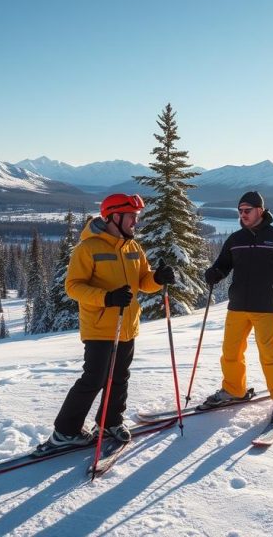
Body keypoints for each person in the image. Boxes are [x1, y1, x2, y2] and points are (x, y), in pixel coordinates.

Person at [36, 193, 176, 454]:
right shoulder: (88, 248)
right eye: (132, 216)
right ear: (114, 217)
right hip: (100, 327)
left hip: (127, 325)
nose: (136, 221)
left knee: (120, 376)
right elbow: (73, 287)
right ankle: (65, 432)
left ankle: (110, 422)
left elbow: (143, 280)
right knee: (95, 378)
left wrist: (157, 277)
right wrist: (106, 298)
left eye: (137, 216)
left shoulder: (133, 247)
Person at [201, 190, 273, 422]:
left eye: (247, 210)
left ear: (260, 210)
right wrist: (214, 273)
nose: (243, 214)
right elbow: (223, 265)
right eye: (240, 211)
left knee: (269, 352)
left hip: (266, 303)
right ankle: (234, 390)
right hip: (237, 304)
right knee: (231, 351)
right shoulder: (236, 239)